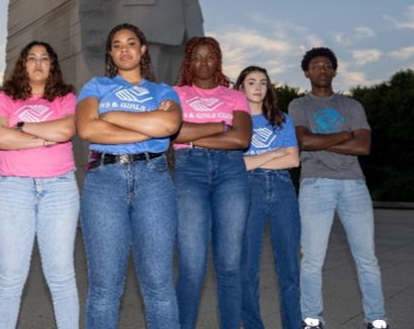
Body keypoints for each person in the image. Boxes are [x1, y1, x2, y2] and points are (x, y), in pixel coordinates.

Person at [76, 23, 182, 329]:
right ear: (111, 53)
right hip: (104, 181)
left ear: (143, 49)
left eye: (131, 43)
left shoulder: (163, 90)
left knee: (160, 286)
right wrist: (147, 122)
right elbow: (87, 129)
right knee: (104, 288)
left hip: (154, 179)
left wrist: (111, 117)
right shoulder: (95, 86)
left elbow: (168, 127)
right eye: (117, 44)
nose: (125, 49)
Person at [288, 47, 388, 329]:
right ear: (307, 73)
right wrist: (345, 134)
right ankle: (311, 319)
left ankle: (377, 318)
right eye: (316, 65)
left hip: (353, 185)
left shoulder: (352, 106)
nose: (322, 69)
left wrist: (322, 138)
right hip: (315, 183)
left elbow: (363, 146)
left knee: (366, 257)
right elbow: (303, 142)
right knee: (312, 259)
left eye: (327, 65)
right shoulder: (299, 106)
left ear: (334, 70)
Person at [0, 41, 79, 329]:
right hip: (13, 189)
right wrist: (43, 139)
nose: (38, 64)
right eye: (31, 58)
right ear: (22, 64)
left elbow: (66, 130)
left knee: (62, 275)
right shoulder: (5, 97)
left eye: (44, 58)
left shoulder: (65, 97)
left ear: (52, 65)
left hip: (59, 189)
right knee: (10, 277)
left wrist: (20, 127)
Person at [172, 37, 252, 329]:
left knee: (229, 266)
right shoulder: (175, 94)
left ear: (218, 61)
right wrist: (220, 127)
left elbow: (241, 139)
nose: (203, 62)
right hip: (188, 172)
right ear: (188, 62)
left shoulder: (235, 97)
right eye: (197, 57)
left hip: (231, 174)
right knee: (192, 267)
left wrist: (191, 134)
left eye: (209, 57)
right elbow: (172, 133)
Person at [236, 66, 301, 329]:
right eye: (251, 82)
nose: (258, 87)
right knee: (247, 268)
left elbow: (294, 160)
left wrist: (254, 160)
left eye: (263, 82)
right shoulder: (234, 122)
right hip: (247, 190)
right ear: (240, 87)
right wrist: (274, 154)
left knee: (289, 268)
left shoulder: (282, 119)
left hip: (283, 189)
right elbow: (236, 166)